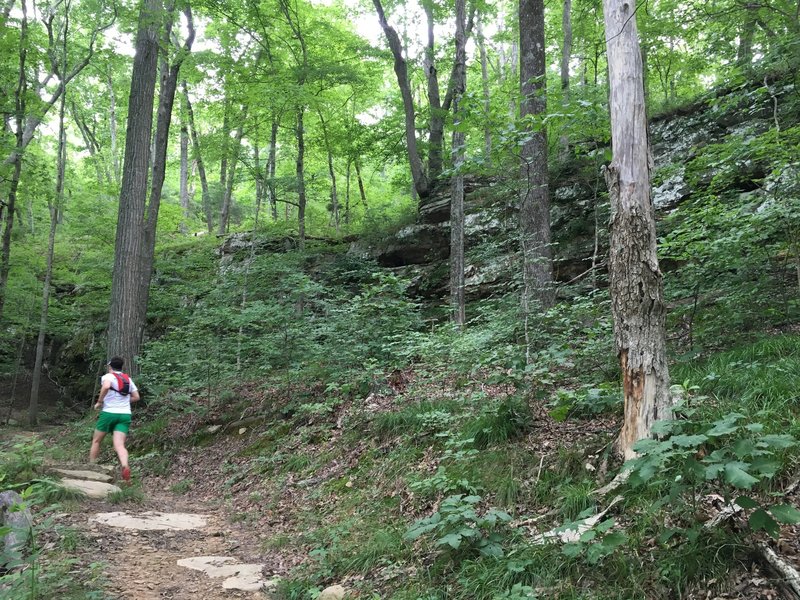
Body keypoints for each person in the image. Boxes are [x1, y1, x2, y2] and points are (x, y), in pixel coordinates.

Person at [89, 356, 140, 482]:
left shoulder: (108, 376)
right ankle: (125, 465)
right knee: (120, 445)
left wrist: (100, 401)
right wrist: (123, 401)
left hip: (109, 413)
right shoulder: (128, 379)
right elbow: (136, 397)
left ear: (110, 366)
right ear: (121, 367)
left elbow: (106, 387)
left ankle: (91, 467)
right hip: (124, 414)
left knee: (96, 441)